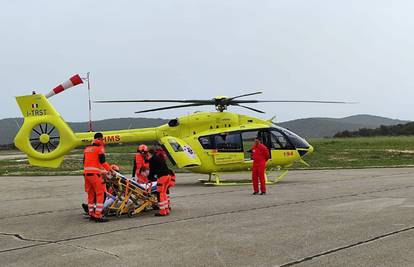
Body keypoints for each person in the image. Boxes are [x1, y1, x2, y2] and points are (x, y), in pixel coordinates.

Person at [83, 132, 113, 222]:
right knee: (100, 194)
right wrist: (110, 170)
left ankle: (91, 213)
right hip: (95, 175)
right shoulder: (99, 149)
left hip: (86, 175)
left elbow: (84, 162)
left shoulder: (87, 149)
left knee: (90, 195)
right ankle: (98, 215)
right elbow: (103, 162)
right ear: (100, 139)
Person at [148, 147, 173, 216]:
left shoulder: (152, 159)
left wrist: (150, 179)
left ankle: (162, 211)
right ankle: (166, 210)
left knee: (160, 193)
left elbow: (152, 171)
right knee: (164, 193)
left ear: (149, 153)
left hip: (162, 177)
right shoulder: (159, 157)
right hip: (168, 176)